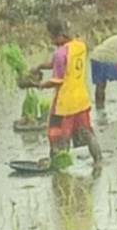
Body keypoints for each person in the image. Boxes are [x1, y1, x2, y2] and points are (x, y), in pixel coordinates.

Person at [20, 19, 102, 167]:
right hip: (82, 99)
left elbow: (57, 80)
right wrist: (40, 66)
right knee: (87, 132)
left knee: (57, 135)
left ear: (59, 35)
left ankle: (57, 167)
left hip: (65, 104)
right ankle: (98, 160)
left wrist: (37, 84)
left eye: (51, 37)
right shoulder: (80, 46)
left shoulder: (60, 53)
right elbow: (59, 63)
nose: (51, 41)